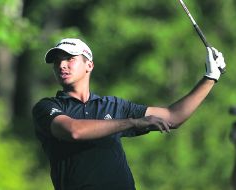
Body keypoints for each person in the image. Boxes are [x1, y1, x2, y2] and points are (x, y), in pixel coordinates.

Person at [32, 38, 226, 190]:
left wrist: (210, 78)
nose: (61, 65)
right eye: (57, 61)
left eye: (69, 59)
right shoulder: (47, 106)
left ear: (89, 65)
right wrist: (133, 123)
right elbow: (73, 130)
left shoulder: (114, 105)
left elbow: (173, 117)